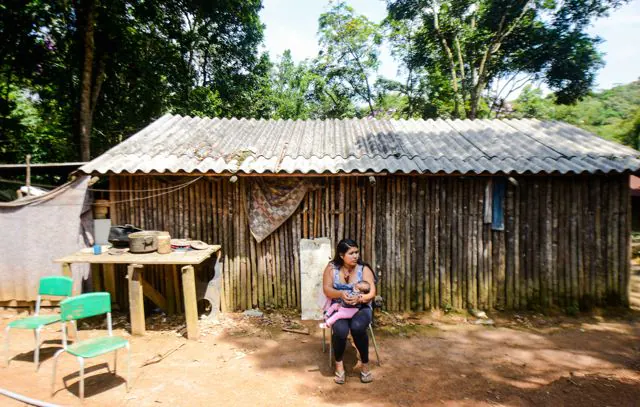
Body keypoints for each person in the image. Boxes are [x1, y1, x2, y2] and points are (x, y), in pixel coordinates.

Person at [322, 239, 376, 384]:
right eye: (351, 253)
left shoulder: (363, 268)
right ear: (341, 255)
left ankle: (365, 364)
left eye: (357, 252)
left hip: (360, 307)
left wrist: (359, 299)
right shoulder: (331, 268)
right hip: (339, 307)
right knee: (340, 330)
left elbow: (371, 293)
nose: (355, 256)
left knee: (358, 328)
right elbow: (326, 289)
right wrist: (340, 294)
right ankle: (339, 364)